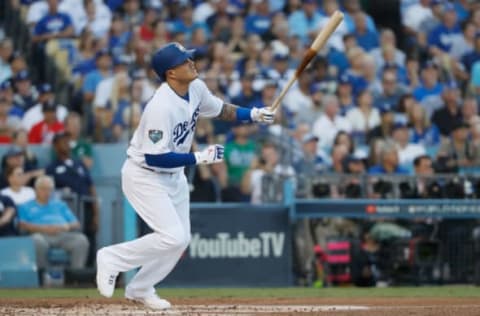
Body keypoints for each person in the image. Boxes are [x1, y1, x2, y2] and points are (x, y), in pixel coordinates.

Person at [95, 42, 274, 309]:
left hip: (174, 175)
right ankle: (111, 258)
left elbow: (221, 109)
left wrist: (254, 114)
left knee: (181, 241)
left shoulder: (196, 87)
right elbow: (155, 156)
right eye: (184, 61)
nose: (192, 62)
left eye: (190, 58)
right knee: (173, 236)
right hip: (145, 175)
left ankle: (140, 288)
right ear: (170, 73)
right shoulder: (160, 106)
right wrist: (199, 157)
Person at [18, 175, 89, 270]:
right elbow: (22, 225)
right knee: (36, 241)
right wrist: (43, 228)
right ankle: (43, 274)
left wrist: (64, 227)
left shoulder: (60, 204)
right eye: (43, 189)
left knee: (81, 240)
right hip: (40, 234)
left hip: (62, 234)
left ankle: (76, 274)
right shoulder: (25, 206)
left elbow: (76, 223)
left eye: (49, 189)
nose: (47, 192)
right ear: (36, 189)